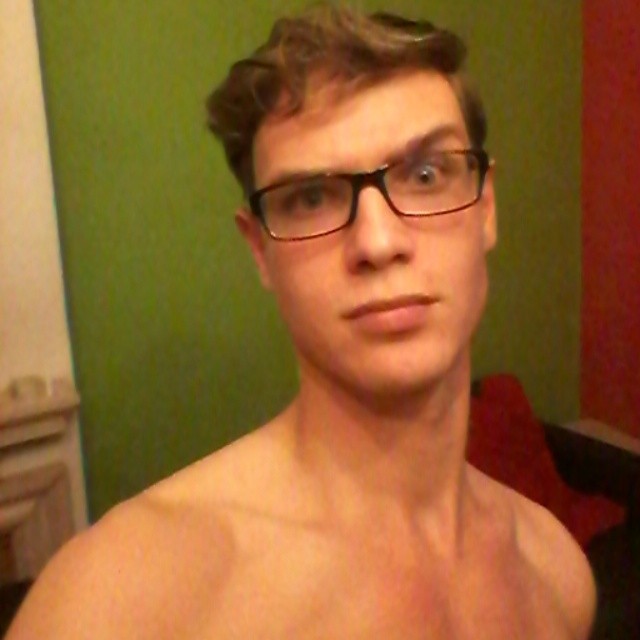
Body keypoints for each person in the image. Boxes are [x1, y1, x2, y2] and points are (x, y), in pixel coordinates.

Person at [7, 5, 595, 639]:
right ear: (260, 249)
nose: (378, 242)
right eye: (312, 198)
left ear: (485, 208)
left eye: (426, 175)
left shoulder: (555, 570)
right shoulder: (119, 602)